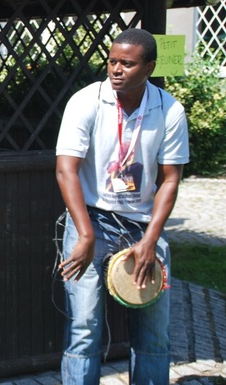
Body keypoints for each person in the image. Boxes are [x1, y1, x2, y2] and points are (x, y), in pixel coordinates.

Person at [55, 28, 190, 385]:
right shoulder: (85, 101)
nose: (116, 69)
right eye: (112, 61)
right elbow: (65, 169)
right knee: (84, 328)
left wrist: (151, 241)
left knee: (153, 332)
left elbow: (170, 179)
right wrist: (84, 233)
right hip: (91, 221)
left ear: (149, 67)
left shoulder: (170, 110)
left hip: (143, 226)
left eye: (127, 64)